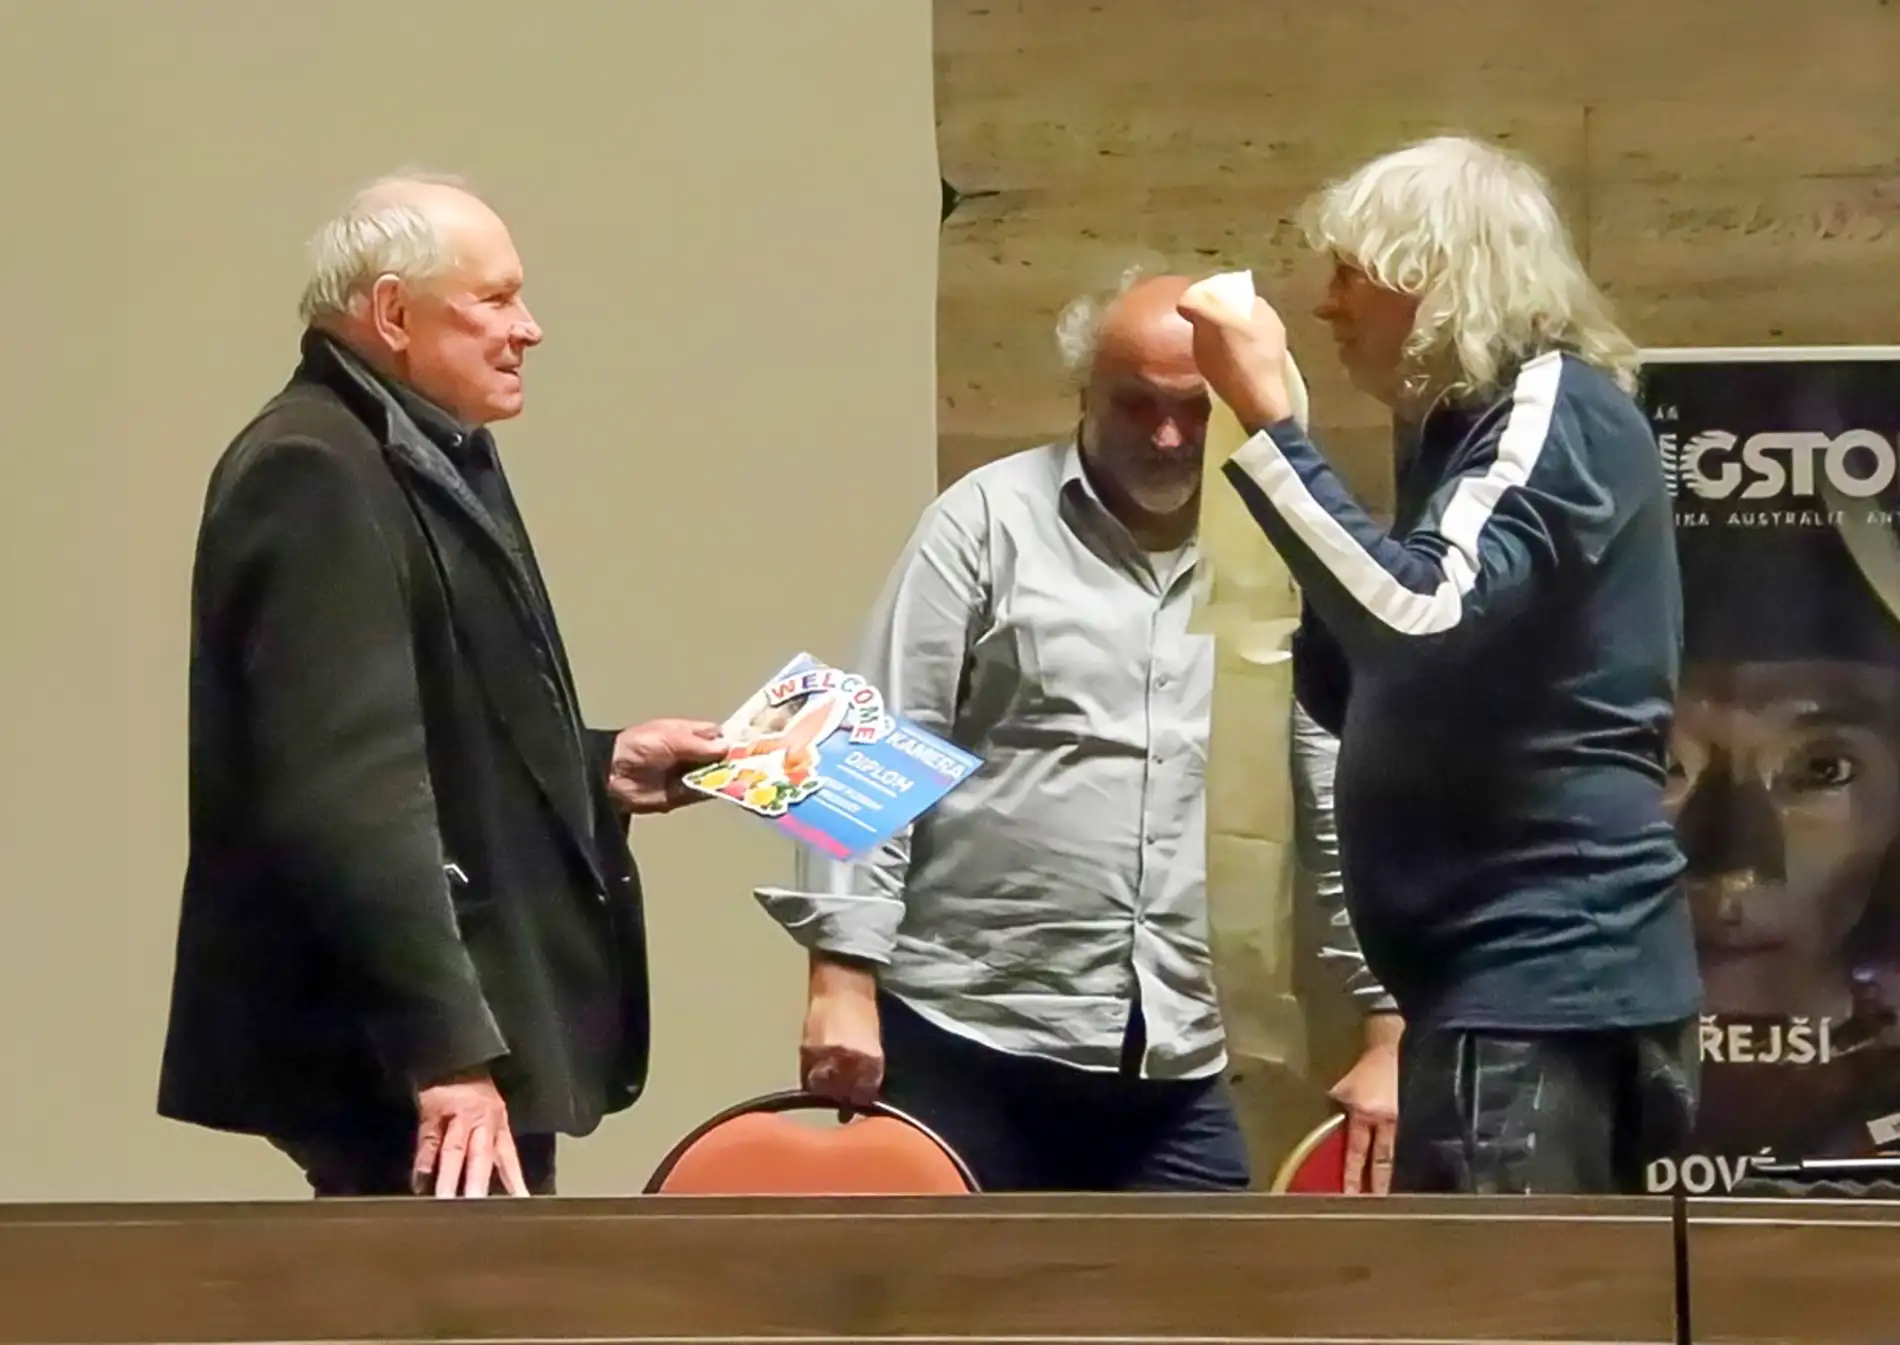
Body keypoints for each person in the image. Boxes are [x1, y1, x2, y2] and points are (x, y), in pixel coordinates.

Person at [756, 272, 1400, 1192]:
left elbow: (1344, 800)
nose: (1168, 436)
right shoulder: (982, 518)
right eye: (1136, 404)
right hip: (963, 1035)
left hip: (1177, 1052)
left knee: (1209, 1288)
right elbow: (862, 742)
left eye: (1195, 408)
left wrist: (1388, 1025)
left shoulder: (1283, 552)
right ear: (1083, 393)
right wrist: (840, 983)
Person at [157, 173, 727, 1198]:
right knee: (450, 1287)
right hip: (404, 1066)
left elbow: (442, 727)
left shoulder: (424, 448)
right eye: (496, 299)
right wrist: (447, 1055)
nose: (529, 328)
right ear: (392, 314)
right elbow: (345, 793)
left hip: (454, 1040)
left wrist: (599, 765)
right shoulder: (314, 469)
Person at [1176, 135, 1704, 1195]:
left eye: (1349, 274)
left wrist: (1273, 431)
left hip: (1540, 977)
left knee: (1503, 1290)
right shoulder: (1465, 430)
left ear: (1436, 277)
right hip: (1503, 984)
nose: (1325, 305)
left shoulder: (1550, 408)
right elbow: (1374, 681)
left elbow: (1415, 621)